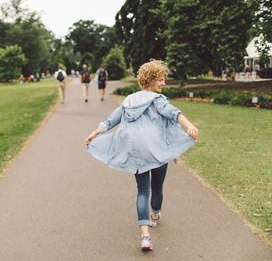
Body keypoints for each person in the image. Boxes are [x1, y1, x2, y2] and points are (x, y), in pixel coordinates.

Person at [84, 59, 198, 252]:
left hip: (135, 150)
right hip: (157, 149)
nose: (163, 83)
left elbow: (113, 119)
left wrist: (95, 133)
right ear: (151, 80)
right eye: (161, 79)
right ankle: (155, 215)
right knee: (157, 186)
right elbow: (173, 113)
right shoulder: (158, 100)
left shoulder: (130, 100)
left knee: (142, 191)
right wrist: (190, 125)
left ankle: (145, 236)